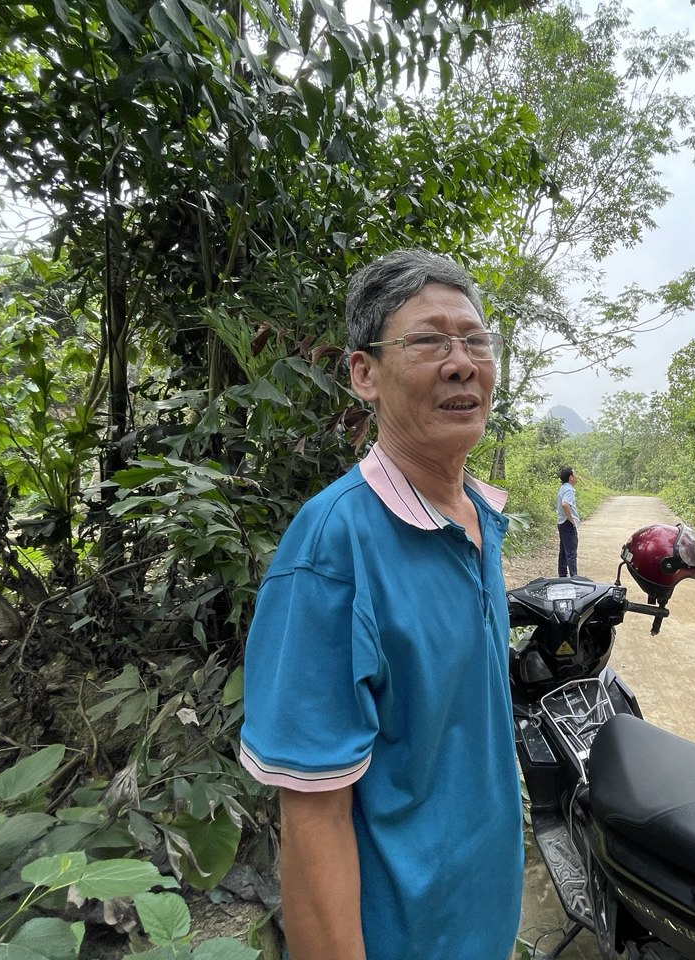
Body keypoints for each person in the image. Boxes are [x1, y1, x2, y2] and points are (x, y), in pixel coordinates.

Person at [238, 249, 522, 960]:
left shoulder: (481, 517)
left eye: (476, 340)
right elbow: (312, 818)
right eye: (428, 341)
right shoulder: (332, 551)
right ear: (364, 373)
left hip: (482, 920)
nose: (462, 364)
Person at [555, 465, 579, 577]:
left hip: (562, 523)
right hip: (567, 524)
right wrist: (572, 520)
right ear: (571, 477)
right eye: (575, 474)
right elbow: (565, 504)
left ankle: (562, 576)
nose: (576, 476)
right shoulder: (569, 490)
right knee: (571, 553)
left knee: (564, 552)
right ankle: (574, 577)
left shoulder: (563, 488)